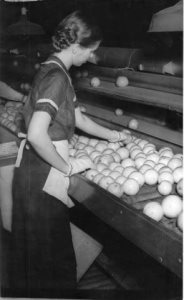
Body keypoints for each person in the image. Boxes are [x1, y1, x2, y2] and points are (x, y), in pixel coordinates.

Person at [9, 11, 132, 298]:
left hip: (33, 171)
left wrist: (115, 136)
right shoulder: (56, 78)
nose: (92, 57)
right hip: (42, 178)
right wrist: (67, 164)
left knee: (41, 260)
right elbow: (39, 134)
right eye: (91, 50)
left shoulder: (54, 69)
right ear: (76, 46)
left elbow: (79, 120)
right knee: (54, 266)